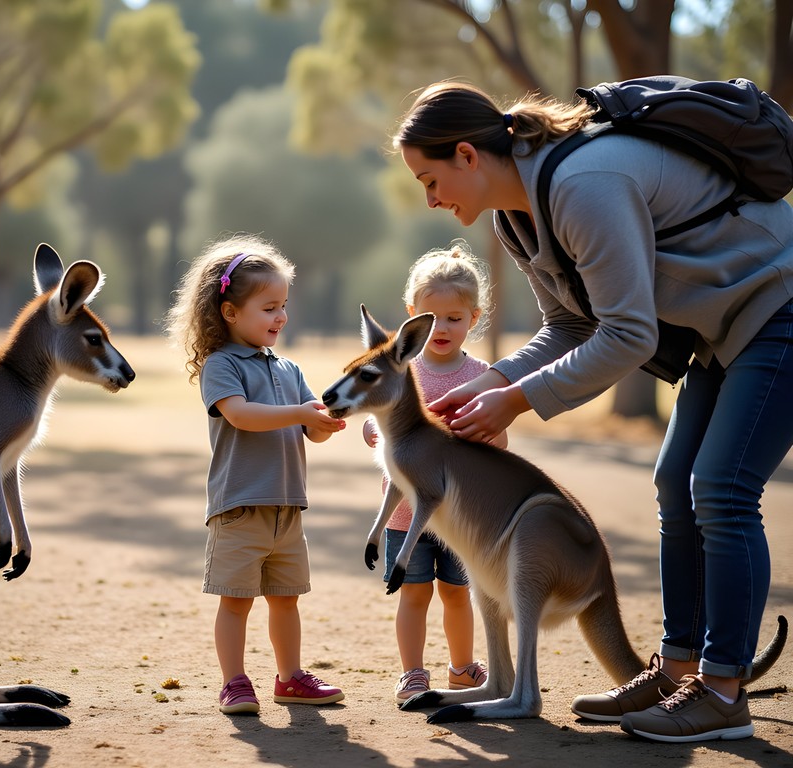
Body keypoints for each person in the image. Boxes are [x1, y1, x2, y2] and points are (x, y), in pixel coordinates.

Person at [391, 79, 793, 742]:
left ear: (467, 155)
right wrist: (492, 379)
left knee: (720, 485)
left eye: (429, 180)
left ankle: (721, 693)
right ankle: (675, 672)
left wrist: (515, 401)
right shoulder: (514, 215)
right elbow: (571, 325)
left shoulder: (583, 183)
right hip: (723, 327)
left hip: (777, 302)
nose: (430, 199)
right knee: (675, 483)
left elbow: (629, 334)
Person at [165, 234, 347, 716]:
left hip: (288, 508)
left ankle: (290, 679)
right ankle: (235, 683)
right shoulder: (221, 365)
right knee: (236, 602)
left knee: (286, 601)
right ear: (230, 312)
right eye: (268, 307)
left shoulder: (289, 367)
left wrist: (323, 424)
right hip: (239, 506)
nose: (280, 317)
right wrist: (298, 413)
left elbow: (311, 433)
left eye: (283, 305)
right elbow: (241, 415)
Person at [361, 244, 499, 702]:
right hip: (406, 516)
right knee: (414, 595)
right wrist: (372, 431)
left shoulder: (483, 376)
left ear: (474, 317)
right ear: (411, 316)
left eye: (455, 318)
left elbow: (498, 442)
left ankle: (461, 669)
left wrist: (482, 436)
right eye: (431, 317)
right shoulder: (399, 370)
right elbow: (373, 419)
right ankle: (413, 674)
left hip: (461, 515)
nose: (442, 328)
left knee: (459, 595)